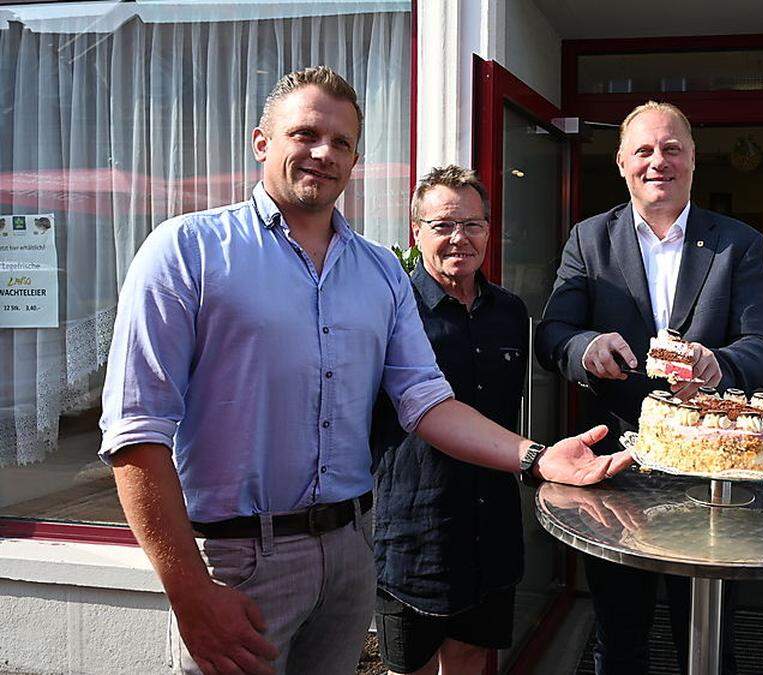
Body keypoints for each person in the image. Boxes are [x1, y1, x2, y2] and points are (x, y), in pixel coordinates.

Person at [99, 66, 630, 675]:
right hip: (239, 560)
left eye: (342, 142)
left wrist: (537, 458)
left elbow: (426, 401)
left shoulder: (379, 272)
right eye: (306, 134)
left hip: (352, 551)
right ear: (261, 142)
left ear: (355, 161)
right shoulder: (185, 251)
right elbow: (137, 434)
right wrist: (188, 592)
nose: (324, 153)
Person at [535, 100, 763, 674]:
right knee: (620, 635)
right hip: (618, 467)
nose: (658, 161)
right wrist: (584, 348)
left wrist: (719, 363)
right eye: (643, 150)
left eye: (672, 148)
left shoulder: (737, 243)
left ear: (693, 160)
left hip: (710, 475)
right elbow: (553, 334)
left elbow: (762, 345)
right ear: (622, 163)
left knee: (707, 636)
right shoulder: (589, 239)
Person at [370, 165, 527, 675]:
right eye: (442, 225)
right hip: (416, 534)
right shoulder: (394, 310)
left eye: (473, 224)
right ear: (415, 233)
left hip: (492, 529)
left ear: (488, 230)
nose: (460, 238)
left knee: (470, 661)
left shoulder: (511, 312)